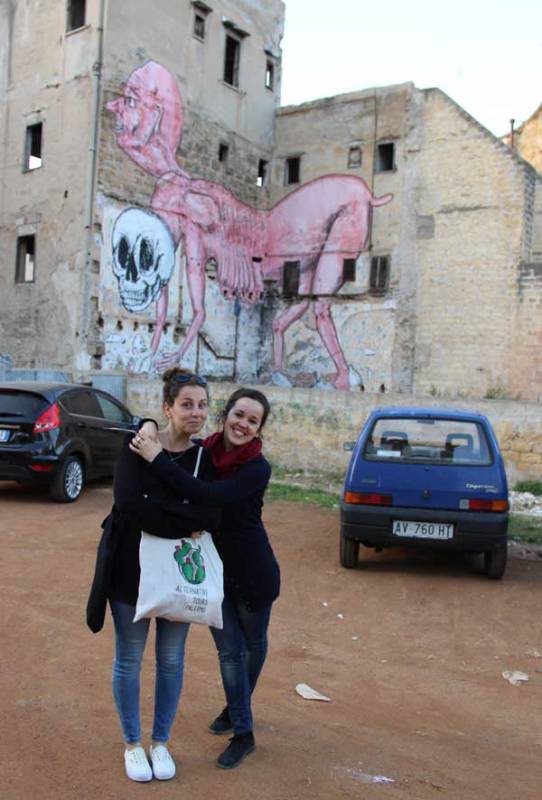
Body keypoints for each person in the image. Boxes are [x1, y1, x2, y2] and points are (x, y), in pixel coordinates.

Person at [134, 388, 280, 769]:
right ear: (226, 414)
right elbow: (169, 438)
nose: (243, 424)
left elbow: (206, 494)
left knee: (254, 645)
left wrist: (155, 459)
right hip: (214, 575)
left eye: (253, 420)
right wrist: (149, 425)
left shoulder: (256, 468)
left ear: (259, 429)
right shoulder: (206, 453)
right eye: (239, 415)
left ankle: (236, 710)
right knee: (230, 652)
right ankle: (243, 730)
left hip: (254, 575)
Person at [107, 368, 220, 783]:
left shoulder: (205, 458)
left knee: (171, 660)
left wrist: (171, 512)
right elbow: (128, 505)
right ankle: (133, 744)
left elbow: (210, 514)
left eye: (203, 405)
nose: (196, 412)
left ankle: (160, 742)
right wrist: (182, 520)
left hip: (178, 576)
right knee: (130, 659)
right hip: (129, 570)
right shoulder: (138, 444)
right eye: (187, 404)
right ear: (167, 407)